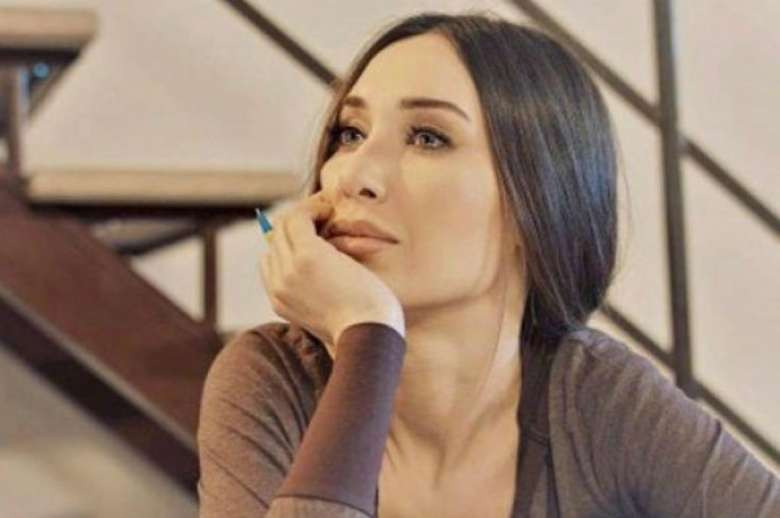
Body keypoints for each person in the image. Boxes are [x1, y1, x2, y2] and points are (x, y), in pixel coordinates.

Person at [196, 11, 780, 517]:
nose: (353, 174)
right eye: (350, 133)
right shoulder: (272, 381)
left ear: (535, 201)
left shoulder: (598, 401)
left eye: (428, 138)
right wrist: (368, 339)